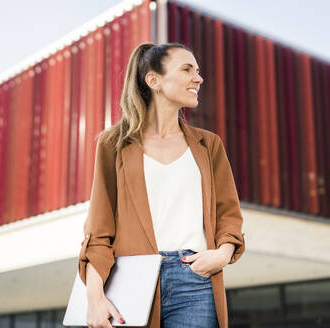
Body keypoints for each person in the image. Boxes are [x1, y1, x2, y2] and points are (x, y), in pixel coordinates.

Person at [78, 42, 246, 328]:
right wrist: (94, 297)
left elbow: (228, 213)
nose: (198, 78)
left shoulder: (209, 145)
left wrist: (223, 254)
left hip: (196, 280)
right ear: (153, 80)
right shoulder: (113, 145)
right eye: (186, 69)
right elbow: (99, 229)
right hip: (130, 284)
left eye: (198, 71)